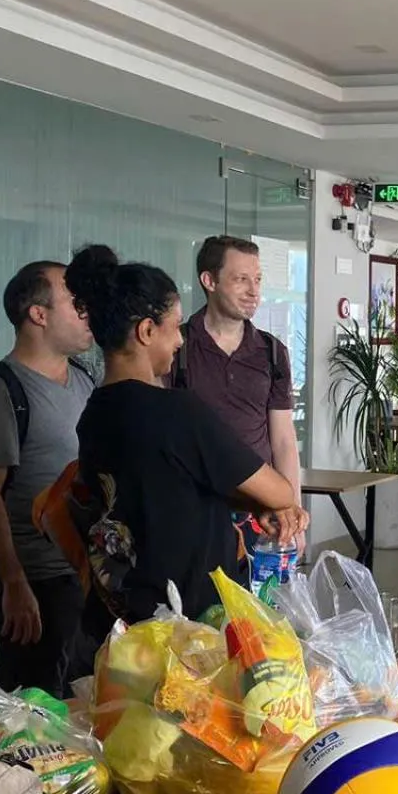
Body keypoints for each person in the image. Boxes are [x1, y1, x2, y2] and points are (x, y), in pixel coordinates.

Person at [65, 245, 308, 627]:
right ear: (147, 331)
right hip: (188, 620)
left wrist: (250, 503)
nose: (180, 340)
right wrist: (269, 501)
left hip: (127, 619)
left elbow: (171, 489)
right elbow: (279, 492)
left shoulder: (94, 413)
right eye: (175, 327)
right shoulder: (177, 412)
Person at [0, 262, 96, 696]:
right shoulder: (0, 392)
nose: (87, 313)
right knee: (36, 714)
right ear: (39, 314)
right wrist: (14, 583)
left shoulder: (85, 381)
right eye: (75, 304)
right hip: (39, 587)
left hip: (86, 576)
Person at [171, 235, 304, 556]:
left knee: (261, 590)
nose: (253, 291)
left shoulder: (272, 352)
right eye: (241, 279)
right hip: (195, 511)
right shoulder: (177, 346)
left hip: (260, 513)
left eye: (257, 279)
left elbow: (283, 440)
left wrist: (292, 511)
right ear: (209, 281)